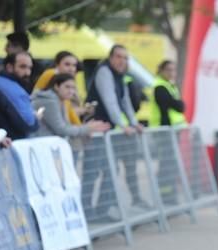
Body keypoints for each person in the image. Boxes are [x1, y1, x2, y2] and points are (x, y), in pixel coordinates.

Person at [84, 44, 147, 218]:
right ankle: (87, 210)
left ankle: (102, 210)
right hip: (96, 128)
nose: (122, 61)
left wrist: (134, 123)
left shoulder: (120, 76)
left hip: (107, 130)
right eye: (119, 56)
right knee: (93, 171)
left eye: (125, 57)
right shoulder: (104, 72)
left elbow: (124, 101)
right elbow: (110, 100)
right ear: (110, 57)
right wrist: (123, 125)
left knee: (110, 170)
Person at [31, 73, 110, 151]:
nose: (71, 91)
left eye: (73, 88)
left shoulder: (60, 100)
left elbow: (65, 126)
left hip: (50, 147)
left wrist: (86, 128)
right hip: (43, 148)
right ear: (56, 86)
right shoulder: (49, 101)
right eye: (67, 87)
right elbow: (61, 129)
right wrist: (87, 128)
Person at [149, 60, 186, 203]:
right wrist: (179, 104)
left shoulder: (170, 86)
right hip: (163, 131)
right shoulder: (160, 87)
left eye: (173, 70)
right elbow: (177, 105)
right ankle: (165, 195)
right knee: (166, 164)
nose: (171, 73)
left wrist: (179, 104)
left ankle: (170, 193)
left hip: (172, 131)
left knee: (170, 163)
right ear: (161, 70)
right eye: (168, 70)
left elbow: (180, 106)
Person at [0, 52, 38, 139]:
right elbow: (28, 123)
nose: (27, 72)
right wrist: (36, 119)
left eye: (30, 68)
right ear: (9, 67)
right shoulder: (11, 88)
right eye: (22, 67)